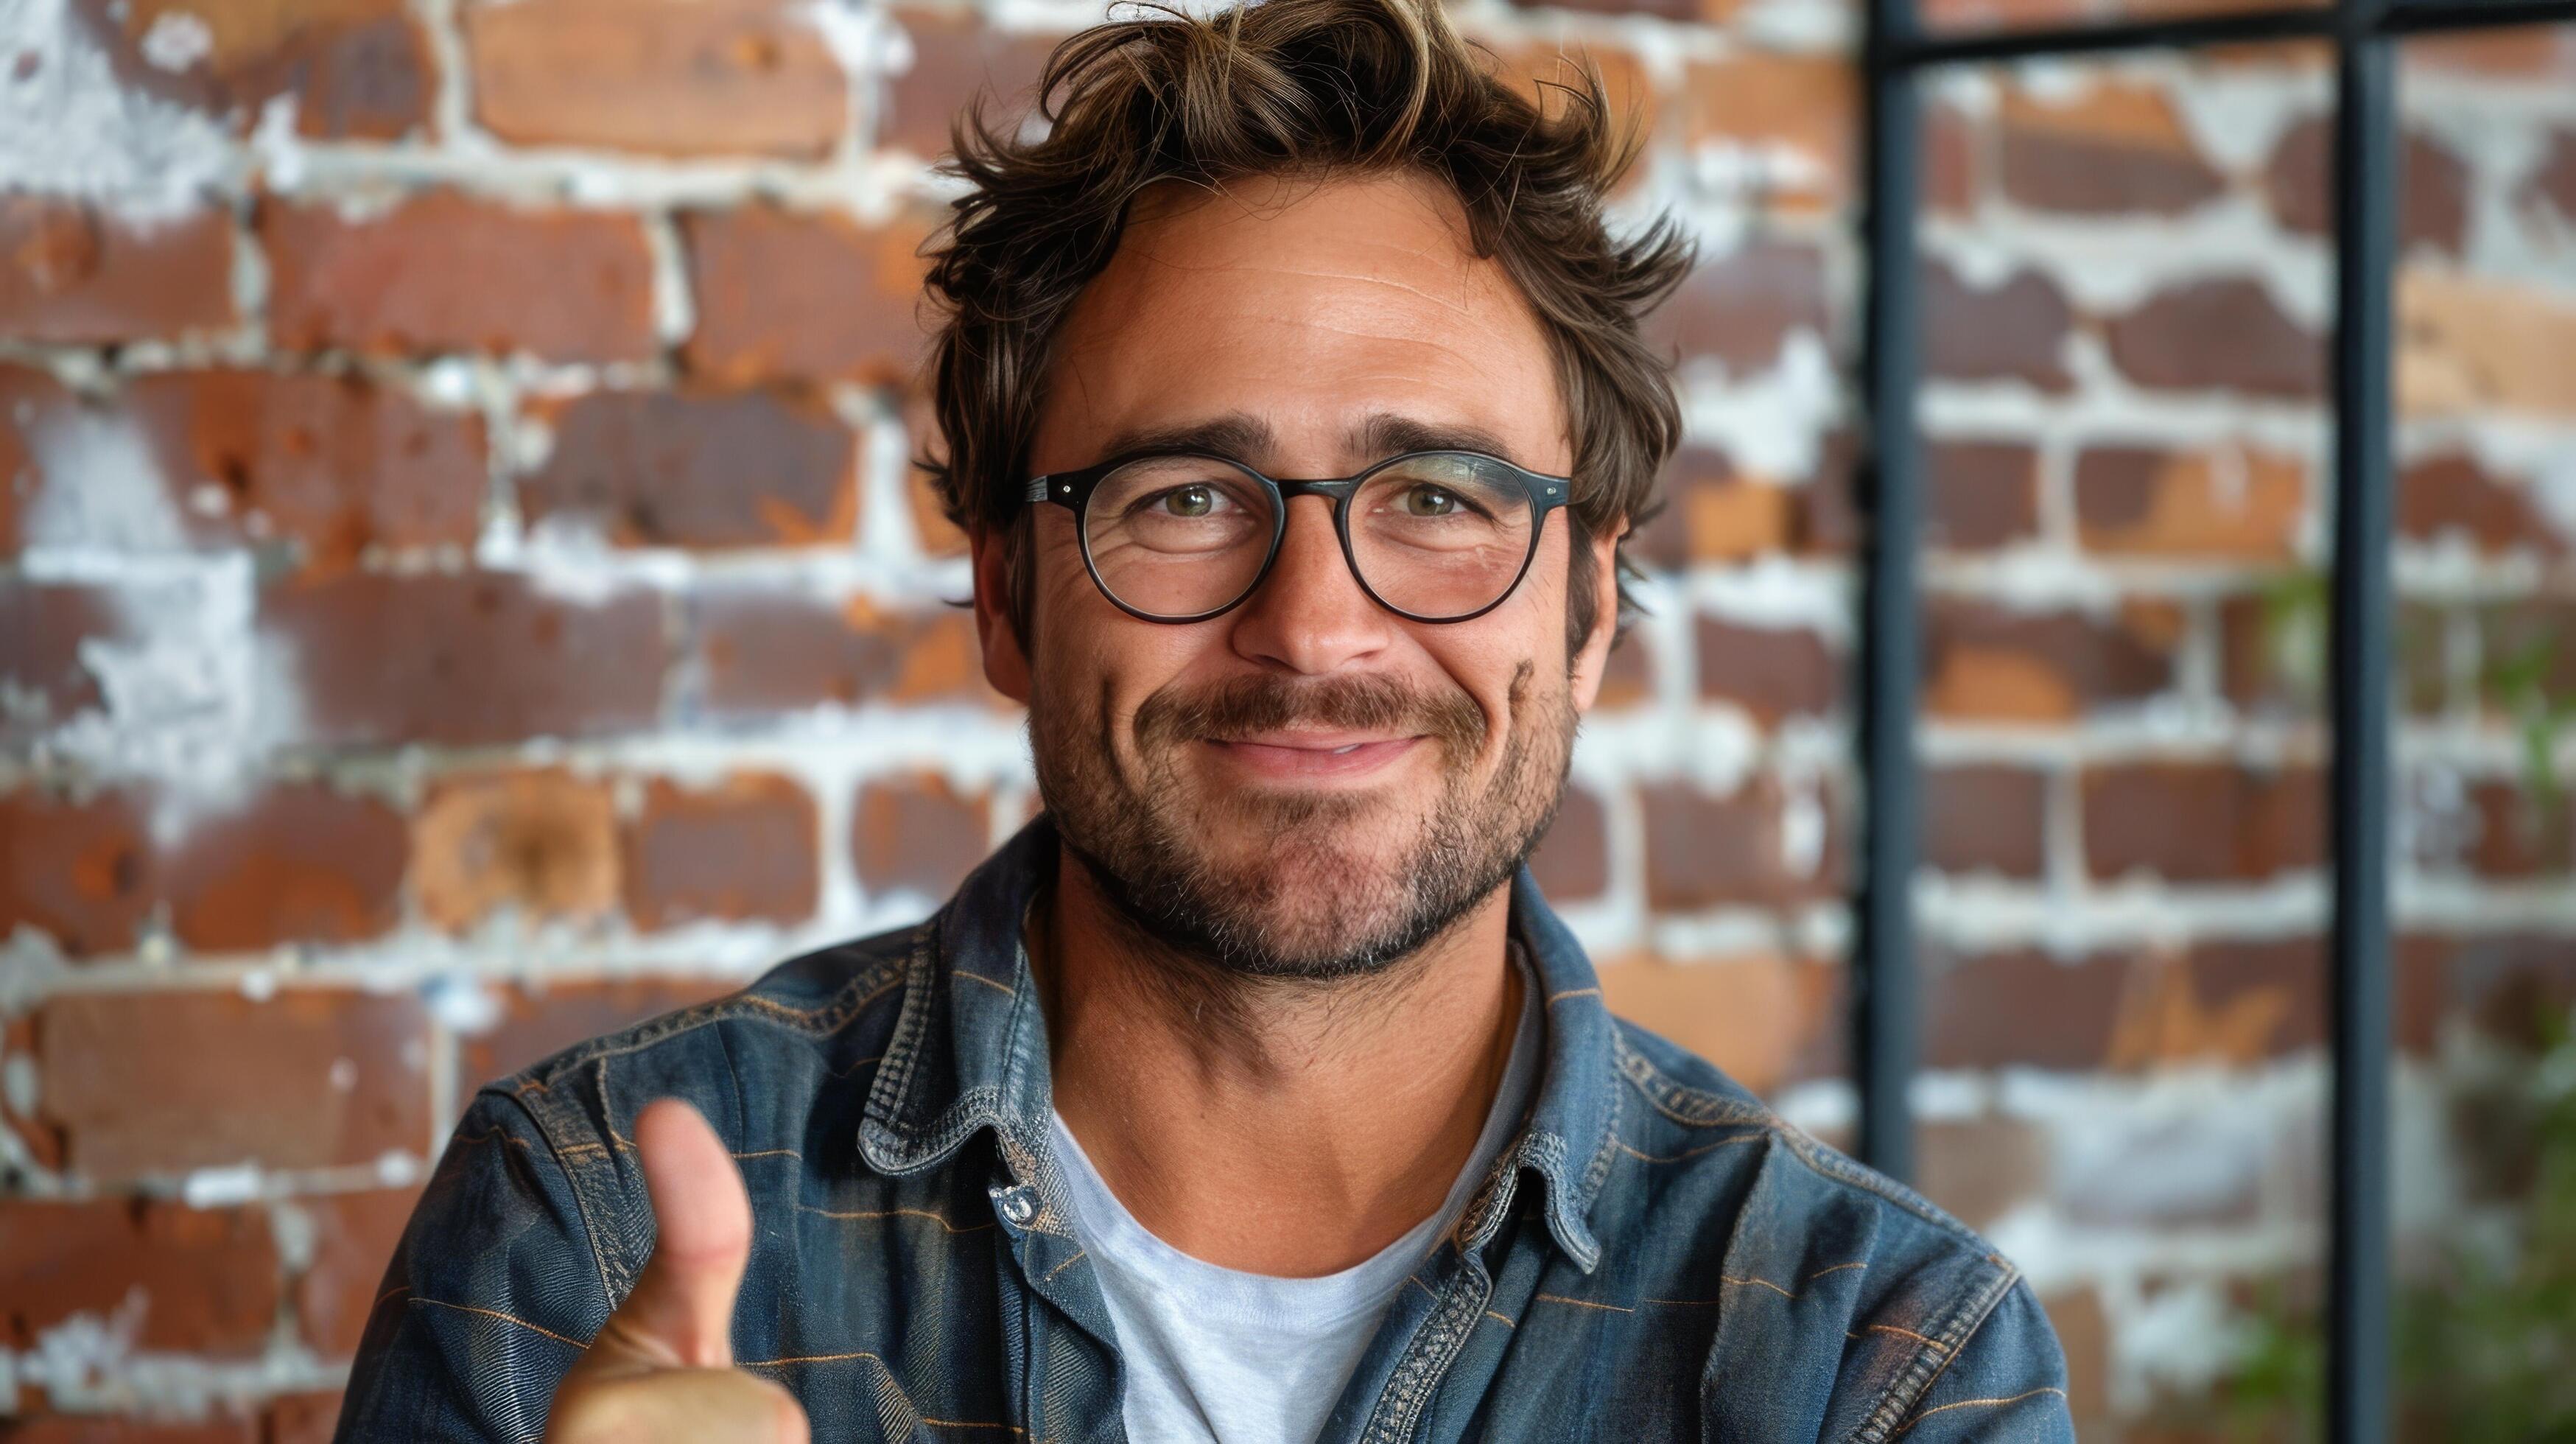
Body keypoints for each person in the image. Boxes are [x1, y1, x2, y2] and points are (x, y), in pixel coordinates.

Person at [334, 0, 2073, 1437]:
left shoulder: (1881, 1360)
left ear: (1593, 601)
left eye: (1440, 497)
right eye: (1182, 496)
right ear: (1011, 591)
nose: (1315, 622)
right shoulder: (589, 1237)